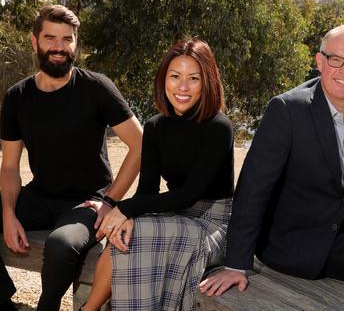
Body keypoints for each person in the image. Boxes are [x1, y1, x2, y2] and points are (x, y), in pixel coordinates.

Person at [199, 25, 344, 307]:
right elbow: (253, 189)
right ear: (320, 61)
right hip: (301, 237)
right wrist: (236, 264)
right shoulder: (287, 110)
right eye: (335, 59)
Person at [0, 5, 143, 311]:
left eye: (67, 39)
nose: (59, 47)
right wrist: (8, 213)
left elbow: (140, 144)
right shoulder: (17, 97)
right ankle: (0, 304)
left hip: (87, 203)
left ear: (76, 44)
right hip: (39, 196)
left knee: (61, 245)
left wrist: (110, 201)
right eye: (51, 37)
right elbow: (10, 166)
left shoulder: (96, 88)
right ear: (34, 41)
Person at [80, 38, 234, 311]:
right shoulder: (154, 127)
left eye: (193, 78)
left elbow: (189, 195)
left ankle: (89, 309)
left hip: (213, 223)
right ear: (164, 79)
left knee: (132, 231)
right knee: (124, 233)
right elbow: (147, 191)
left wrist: (124, 209)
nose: (183, 87)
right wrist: (126, 215)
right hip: (173, 213)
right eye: (175, 76)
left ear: (207, 82)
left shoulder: (219, 127)